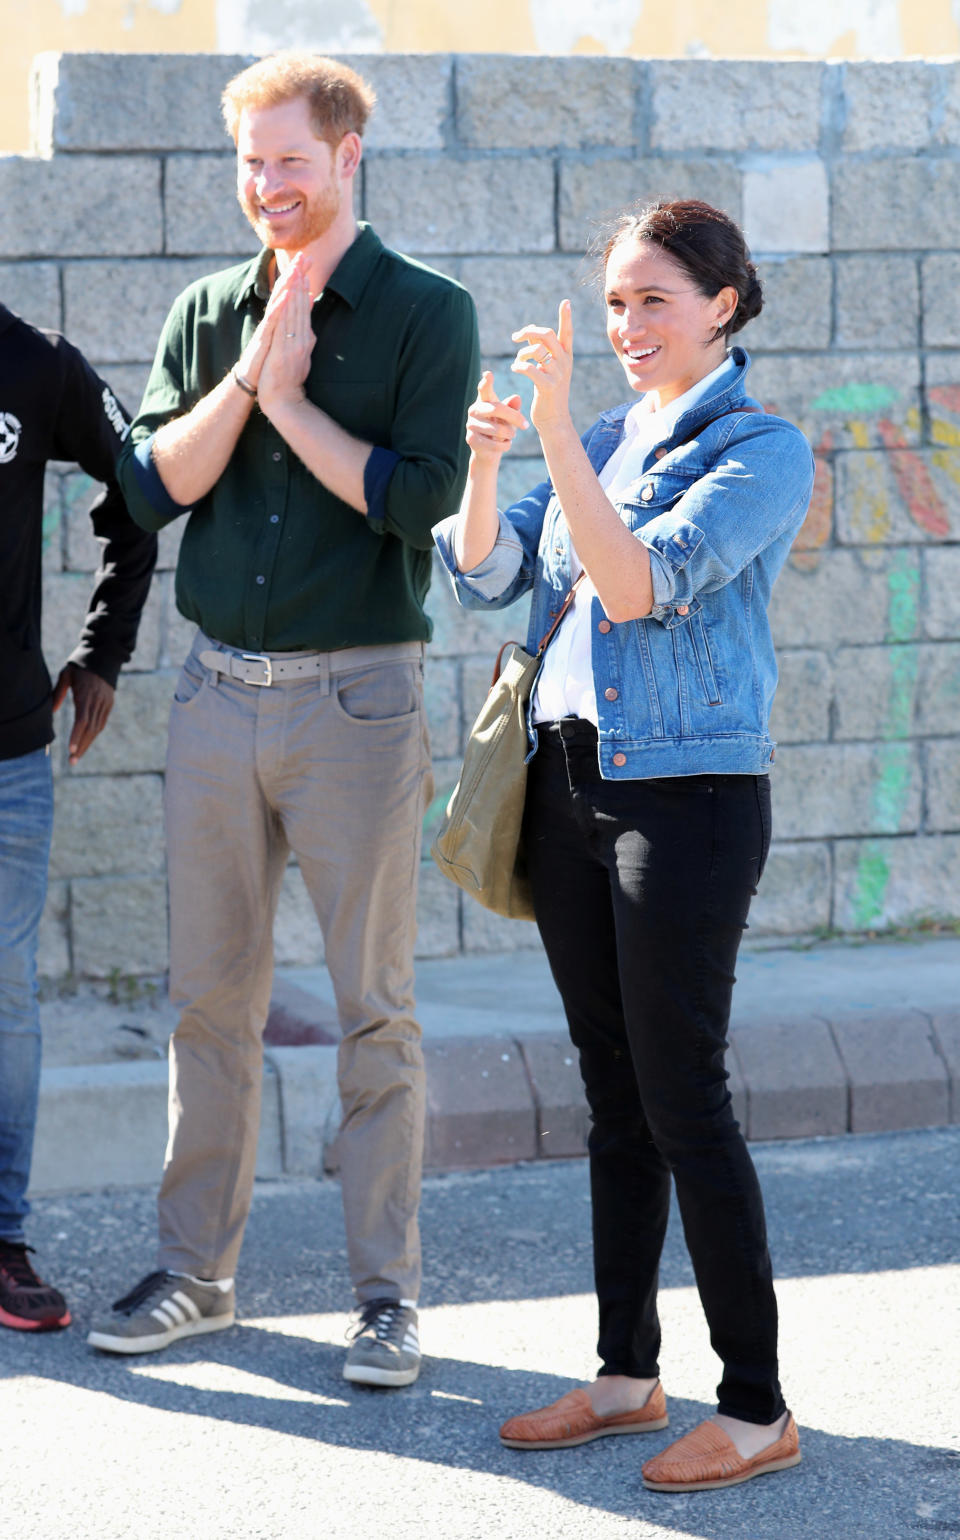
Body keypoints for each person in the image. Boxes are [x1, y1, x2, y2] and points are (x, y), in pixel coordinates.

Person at [86, 52, 479, 1388]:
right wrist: (254, 372)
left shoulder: (429, 312)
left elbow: (413, 501)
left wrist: (300, 395)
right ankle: (199, 1273)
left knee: (376, 1009)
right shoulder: (210, 311)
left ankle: (387, 1299)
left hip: (359, 696)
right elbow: (149, 491)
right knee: (210, 1003)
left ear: (349, 154)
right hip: (215, 695)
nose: (268, 187)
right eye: (251, 163)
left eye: (290, 162)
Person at [434, 200, 814, 1491]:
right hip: (569, 787)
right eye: (613, 303)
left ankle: (757, 1407)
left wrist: (552, 440)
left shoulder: (762, 450)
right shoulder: (601, 435)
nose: (627, 325)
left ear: (725, 303)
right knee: (614, 1093)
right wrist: (491, 462)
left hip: (688, 802)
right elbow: (484, 574)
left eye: (655, 299)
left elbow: (641, 581)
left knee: (682, 1095)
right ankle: (625, 1374)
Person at [0, 303, 157, 1331]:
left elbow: (143, 482)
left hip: (5, 753)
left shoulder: (36, 363)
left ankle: (3, 1237)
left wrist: (103, 646)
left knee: (5, 996)